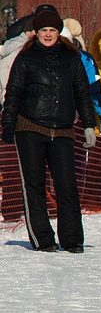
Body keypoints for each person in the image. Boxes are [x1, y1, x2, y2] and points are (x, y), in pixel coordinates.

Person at [0, 10, 96, 252]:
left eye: (52, 30)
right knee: (34, 186)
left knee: (67, 185)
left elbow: (83, 93)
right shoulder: (26, 57)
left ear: (59, 32)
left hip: (62, 130)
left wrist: (89, 124)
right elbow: (13, 92)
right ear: (36, 33)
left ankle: (72, 239)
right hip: (30, 128)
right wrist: (8, 124)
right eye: (43, 30)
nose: (48, 35)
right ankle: (43, 239)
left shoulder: (71, 58)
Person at [0, 17, 35, 222]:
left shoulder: (15, 52)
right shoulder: (18, 55)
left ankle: (16, 209)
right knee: (14, 164)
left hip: (15, 112)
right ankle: (13, 210)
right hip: (14, 113)